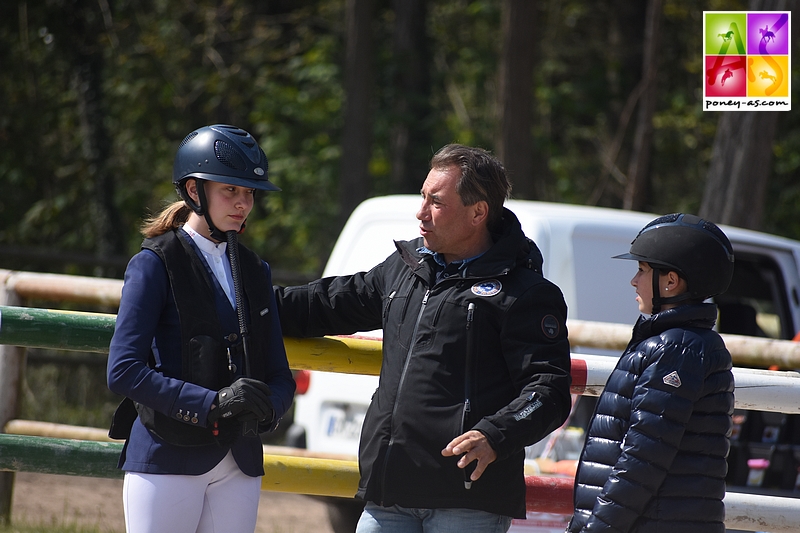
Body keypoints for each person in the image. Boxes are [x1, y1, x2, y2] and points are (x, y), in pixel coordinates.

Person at [275, 144, 572, 532]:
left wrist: (495, 435)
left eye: (436, 202)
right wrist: (234, 298)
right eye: (423, 197)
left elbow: (548, 390)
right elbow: (320, 304)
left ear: (478, 213)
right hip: (389, 493)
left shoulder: (527, 293)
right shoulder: (404, 269)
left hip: (467, 502)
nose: (420, 212)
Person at [107, 124, 296, 533]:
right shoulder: (154, 263)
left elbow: (280, 374)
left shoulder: (255, 270)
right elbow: (123, 369)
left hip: (240, 462)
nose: (243, 203)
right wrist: (212, 403)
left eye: (249, 193)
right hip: (167, 455)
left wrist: (269, 408)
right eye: (231, 190)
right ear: (194, 191)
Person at [566, 213, 736, 533]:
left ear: (671, 281)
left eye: (642, 270)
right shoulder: (681, 343)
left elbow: (642, 459)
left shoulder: (676, 349)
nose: (634, 280)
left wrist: (597, 529)